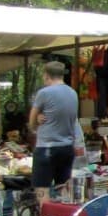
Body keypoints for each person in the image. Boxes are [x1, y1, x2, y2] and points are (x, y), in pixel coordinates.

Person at [29, 60, 79, 202]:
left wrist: (34, 126)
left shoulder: (44, 93)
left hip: (47, 147)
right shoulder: (73, 93)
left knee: (42, 188)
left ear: (46, 76)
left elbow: (32, 119)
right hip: (67, 147)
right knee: (63, 186)